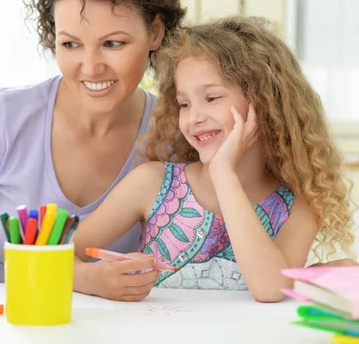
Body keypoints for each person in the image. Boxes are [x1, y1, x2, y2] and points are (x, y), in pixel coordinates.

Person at [0, 0, 186, 299]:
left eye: (113, 43)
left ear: (156, 33)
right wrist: (79, 278)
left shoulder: (177, 137)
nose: (90, 67)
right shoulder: (4, 119)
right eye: (71, 45)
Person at [72, 16, 358, 302]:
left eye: (212, 98)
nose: (194, 118)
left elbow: (270, 289)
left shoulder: (299, 204)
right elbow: (55, 254)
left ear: (265, 102)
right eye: (185, 104)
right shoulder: (152, 183)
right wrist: (92, 280)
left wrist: (224, 175)